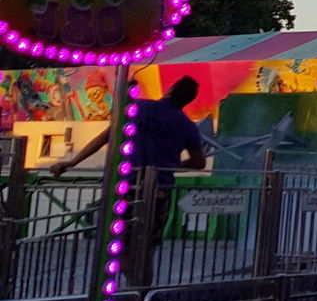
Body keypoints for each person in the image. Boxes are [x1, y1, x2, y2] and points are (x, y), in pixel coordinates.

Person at [53, 75, 208, 288]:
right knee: (146, 249)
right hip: (159, 190)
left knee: (118, 243)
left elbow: (105, 137)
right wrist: (168, 166)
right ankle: (141, 293)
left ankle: (131, 286)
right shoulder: (187, 125)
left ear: (170, 89)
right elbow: (199, 162)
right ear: (188, 100)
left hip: (127, 187)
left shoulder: (139, 108)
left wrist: (71, 162)